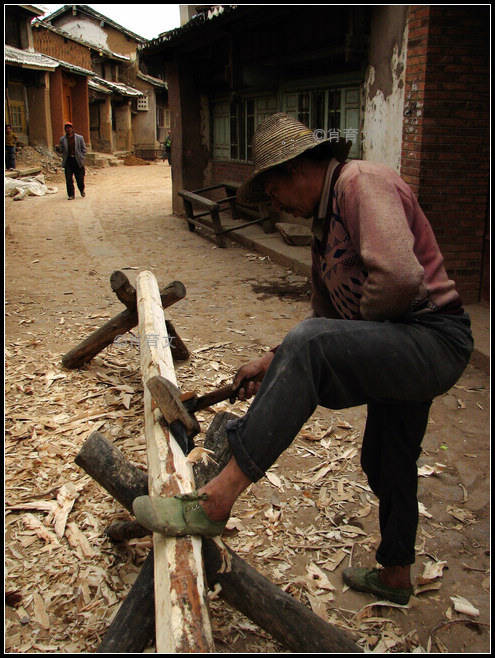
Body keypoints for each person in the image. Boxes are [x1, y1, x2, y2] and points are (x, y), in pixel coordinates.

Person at [133, 113, 473, 605]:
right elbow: (323, 319)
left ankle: (216, 500)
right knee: (385, 460)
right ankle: (397, 573)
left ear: (295, 171)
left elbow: (399, 280)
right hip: (397, 343)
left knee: (311, 345)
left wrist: (333, 343)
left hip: (432, 337)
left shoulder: (360, 183)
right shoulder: (323, 231)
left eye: (272, 191)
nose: (274, 204)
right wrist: (272, 361)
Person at [59, 122, 86, 200]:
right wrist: (59, 150)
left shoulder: (79, 138)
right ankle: (71, 194)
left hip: (77, 161)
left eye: (69, 127)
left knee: (80, 179)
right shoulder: (62, 139)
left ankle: (82, 190)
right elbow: (61, 150)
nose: (68, 129)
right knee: (68, 179)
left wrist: (82, 157)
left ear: (72, 128)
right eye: (66, 128)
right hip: (68, 161)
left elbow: (83, 149)